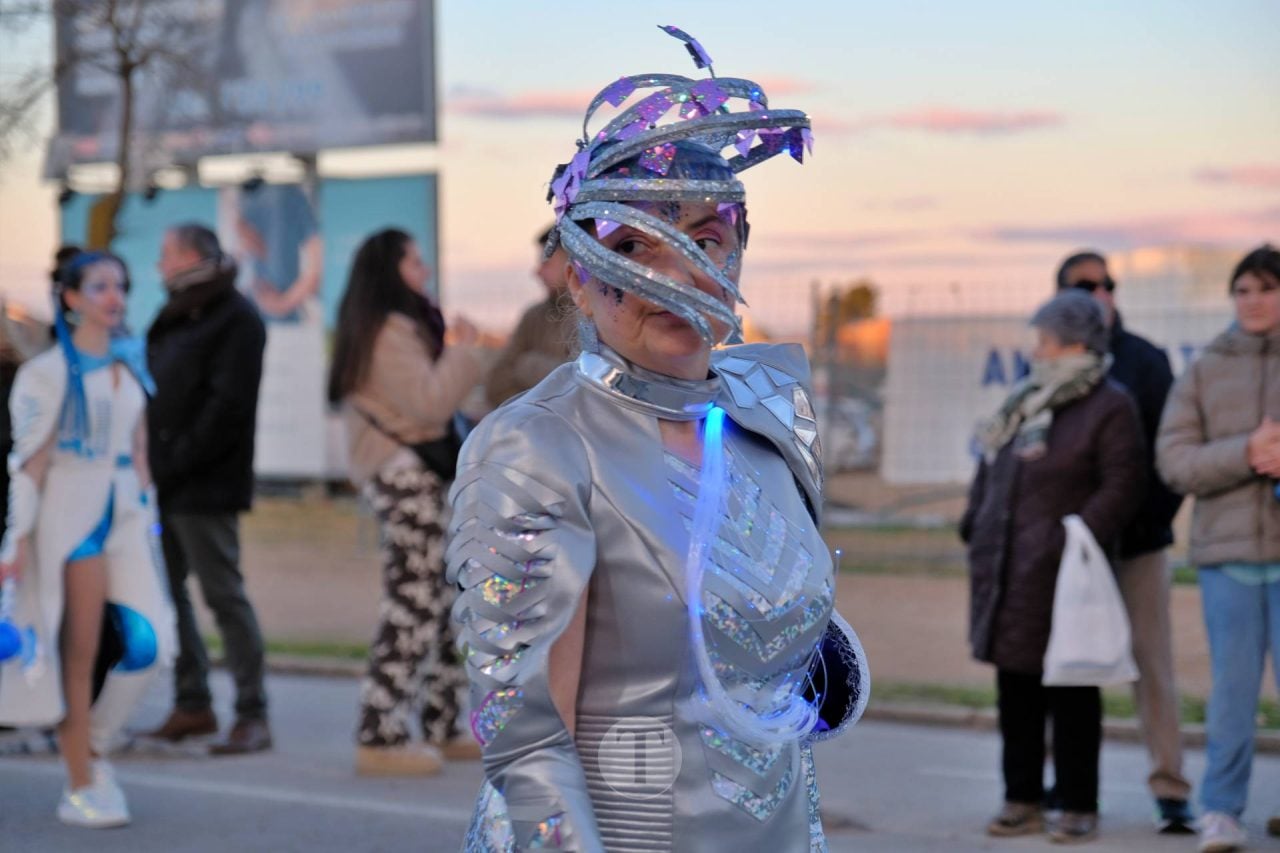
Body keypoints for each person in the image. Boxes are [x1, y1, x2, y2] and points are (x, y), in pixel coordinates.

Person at [446, 28, 868, 851]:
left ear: (740, 251)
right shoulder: (538, 446)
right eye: (634, 246)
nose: (675, 276)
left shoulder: (767, 409)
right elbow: (529, 743)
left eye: (706, 240)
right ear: (577, 273)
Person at [961, 290, 1145, 844]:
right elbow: (992, 466)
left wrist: (1078, 534)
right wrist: (975, 521)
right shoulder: (1025, 400)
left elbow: (1124, 481)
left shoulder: (1109, 405)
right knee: (1015, 691)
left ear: (1076, 342)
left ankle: (1078, 803)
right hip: (1007, 568)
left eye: (1044, 339)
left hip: (1065, 573)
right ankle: (1022, 798)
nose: (1035, 349)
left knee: (1071, 691)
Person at [0, 252, 176, 827]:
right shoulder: (44, 374)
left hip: (125, 513)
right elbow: (28, 463)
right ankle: (80, 779)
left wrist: (149, 520)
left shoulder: (130, 364)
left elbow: (143, 453)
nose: (114, 296)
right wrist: (17, 542)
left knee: (153, 644)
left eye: (121, 285)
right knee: (75, 653)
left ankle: (94, 742)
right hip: (70, 518)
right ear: (71, 298)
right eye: (99, 286)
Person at [328, 228, 485, 776]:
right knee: (414, 602)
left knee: (442, 603)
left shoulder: (389, 324)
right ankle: (380, 733)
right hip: (404, 476)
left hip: (415, 477)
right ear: (389, 270)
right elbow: (430, 404)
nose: (425, 272)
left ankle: (441, 723)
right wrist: (464, 352)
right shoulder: (389, 329)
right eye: (415, 262)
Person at [1056, 250, 1193, 832]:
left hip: (1137, 544)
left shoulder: (1146, 361)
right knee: (1063, 668)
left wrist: (1143, 523)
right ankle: (1060, 790)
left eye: (1107, 283)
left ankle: (1171, 789)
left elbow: (1170, 456)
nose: (1099, 292)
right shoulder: (1051, 358)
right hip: (1072, 548)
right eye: (1084, 285)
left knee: (1152, 667)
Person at [1156, 244, 1280, 853]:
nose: (1254, 301)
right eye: (1243, 289)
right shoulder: (1205, 368)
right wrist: (1246, 454)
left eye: (1267, 288)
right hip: (1227, 557)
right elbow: (1174, 460)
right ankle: (1223, 811)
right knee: (1232, 691)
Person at [144, 223, 271, 755]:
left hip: (206, 481)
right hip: (165, 480)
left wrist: (174, 459)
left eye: (165, 255)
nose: (158, 267)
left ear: (191, 256)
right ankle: (192, 702)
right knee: (169, 597)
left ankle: (252, 712)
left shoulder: (234, 315)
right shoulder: (178, 309)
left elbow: (227, 407)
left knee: (223, 595)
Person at [483, 226, 576, 409]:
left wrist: (528, 365)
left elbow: (583, 391)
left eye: (546, 263)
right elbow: (495, 386)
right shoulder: (534, 317)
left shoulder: (600, 319)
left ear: (572, 265)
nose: (537, 272)